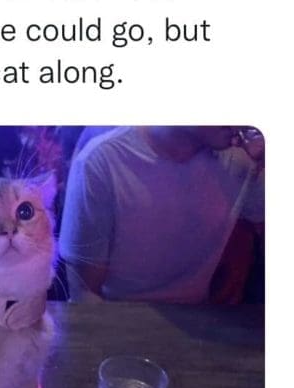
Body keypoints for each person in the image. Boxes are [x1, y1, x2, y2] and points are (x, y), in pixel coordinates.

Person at [59, 126, 264, 304]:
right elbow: (84, 293)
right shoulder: (102, 160)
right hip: (117, 320)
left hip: (200, 322)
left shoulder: (243, 160)